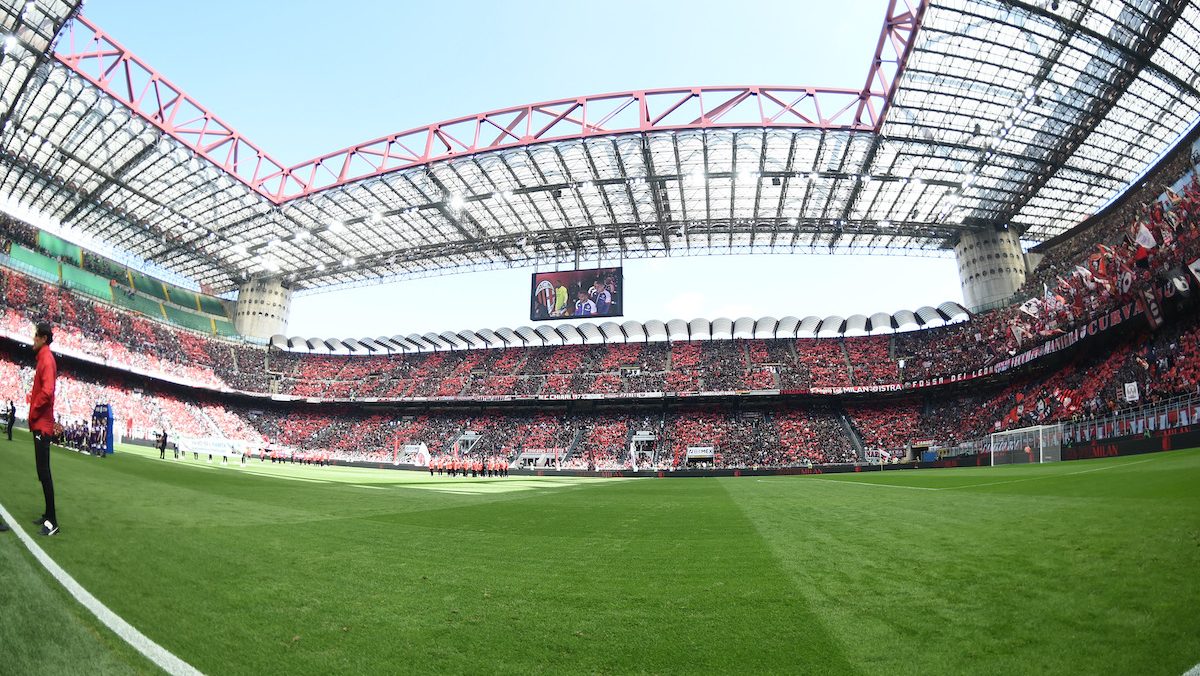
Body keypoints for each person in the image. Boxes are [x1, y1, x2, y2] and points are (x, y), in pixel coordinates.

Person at [28, 322, 59, 536]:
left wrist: (33, 413)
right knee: (42, 471)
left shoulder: (46, 360)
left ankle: (53, 523)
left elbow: (47, 393)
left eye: (36, 336)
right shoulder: (43, 359)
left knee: (44, 472)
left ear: (44, 338)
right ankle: (48, 515)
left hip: (42, 424)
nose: (33, 339)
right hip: (41, 422)